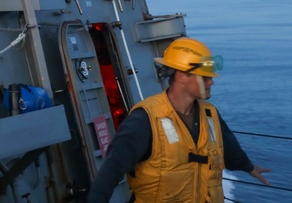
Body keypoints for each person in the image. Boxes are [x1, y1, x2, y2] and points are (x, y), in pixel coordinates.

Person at [87, 37, 270, 203]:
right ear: (182, 76)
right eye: (205, 77)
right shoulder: (145, 119)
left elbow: (229, 149)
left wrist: (248, 167)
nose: (211, 82)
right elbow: (110, 172)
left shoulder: (210, 113)